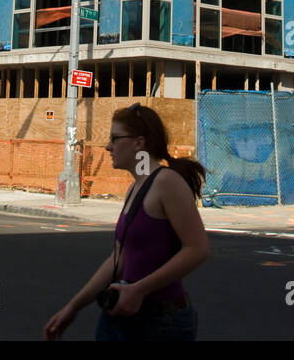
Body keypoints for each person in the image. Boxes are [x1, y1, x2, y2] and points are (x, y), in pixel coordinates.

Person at [44, 103, 208, 342]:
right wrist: (74, 307)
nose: (108, 146)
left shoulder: (166, 182)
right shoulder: (135, 187)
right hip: (124, 315)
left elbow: (198, 249)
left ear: (139, 143)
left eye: (115, 138)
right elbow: (118, 260)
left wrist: (139, 289)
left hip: (161, 322)